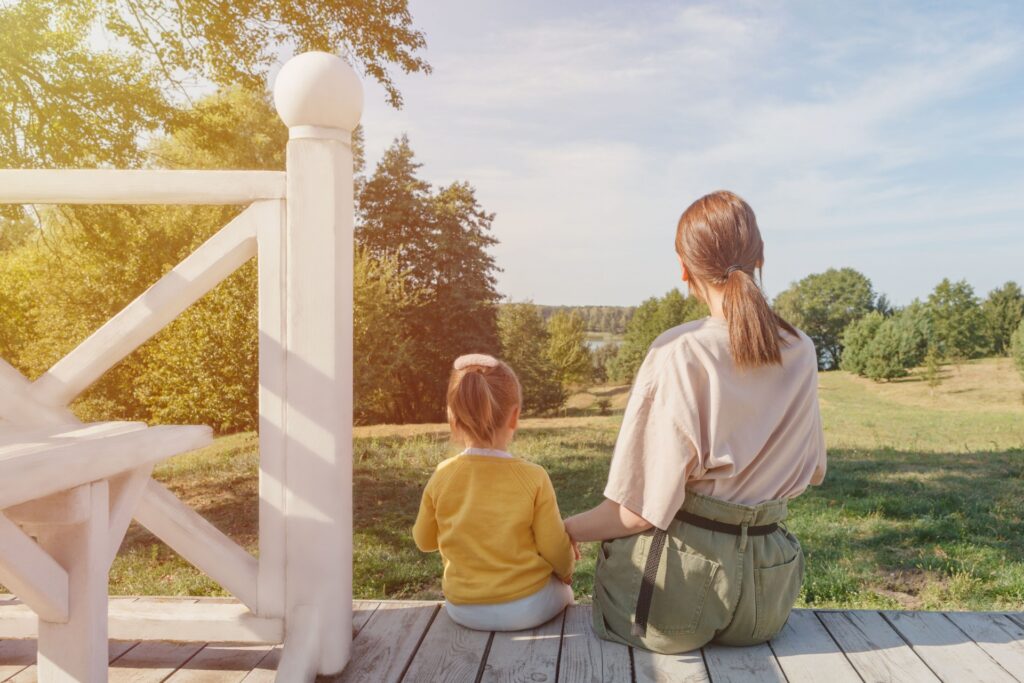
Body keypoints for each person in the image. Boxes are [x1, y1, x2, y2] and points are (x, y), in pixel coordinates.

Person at [564, 190, 827, 654]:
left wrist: (560, 530)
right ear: (760, 257)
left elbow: (637, 510)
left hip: (675, 601)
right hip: (767, 600)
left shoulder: (679, 352)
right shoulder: (802, 349)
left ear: (684, 270)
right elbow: (813, 472)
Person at [412, 353, 577, 631]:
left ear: (453, 419)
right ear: (514, 417)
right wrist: (567, 571)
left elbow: (424, 540)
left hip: (462, 609)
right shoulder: (533, 477)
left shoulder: (442, 475)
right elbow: (555, 549)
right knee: (565, 593)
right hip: (527, 607)